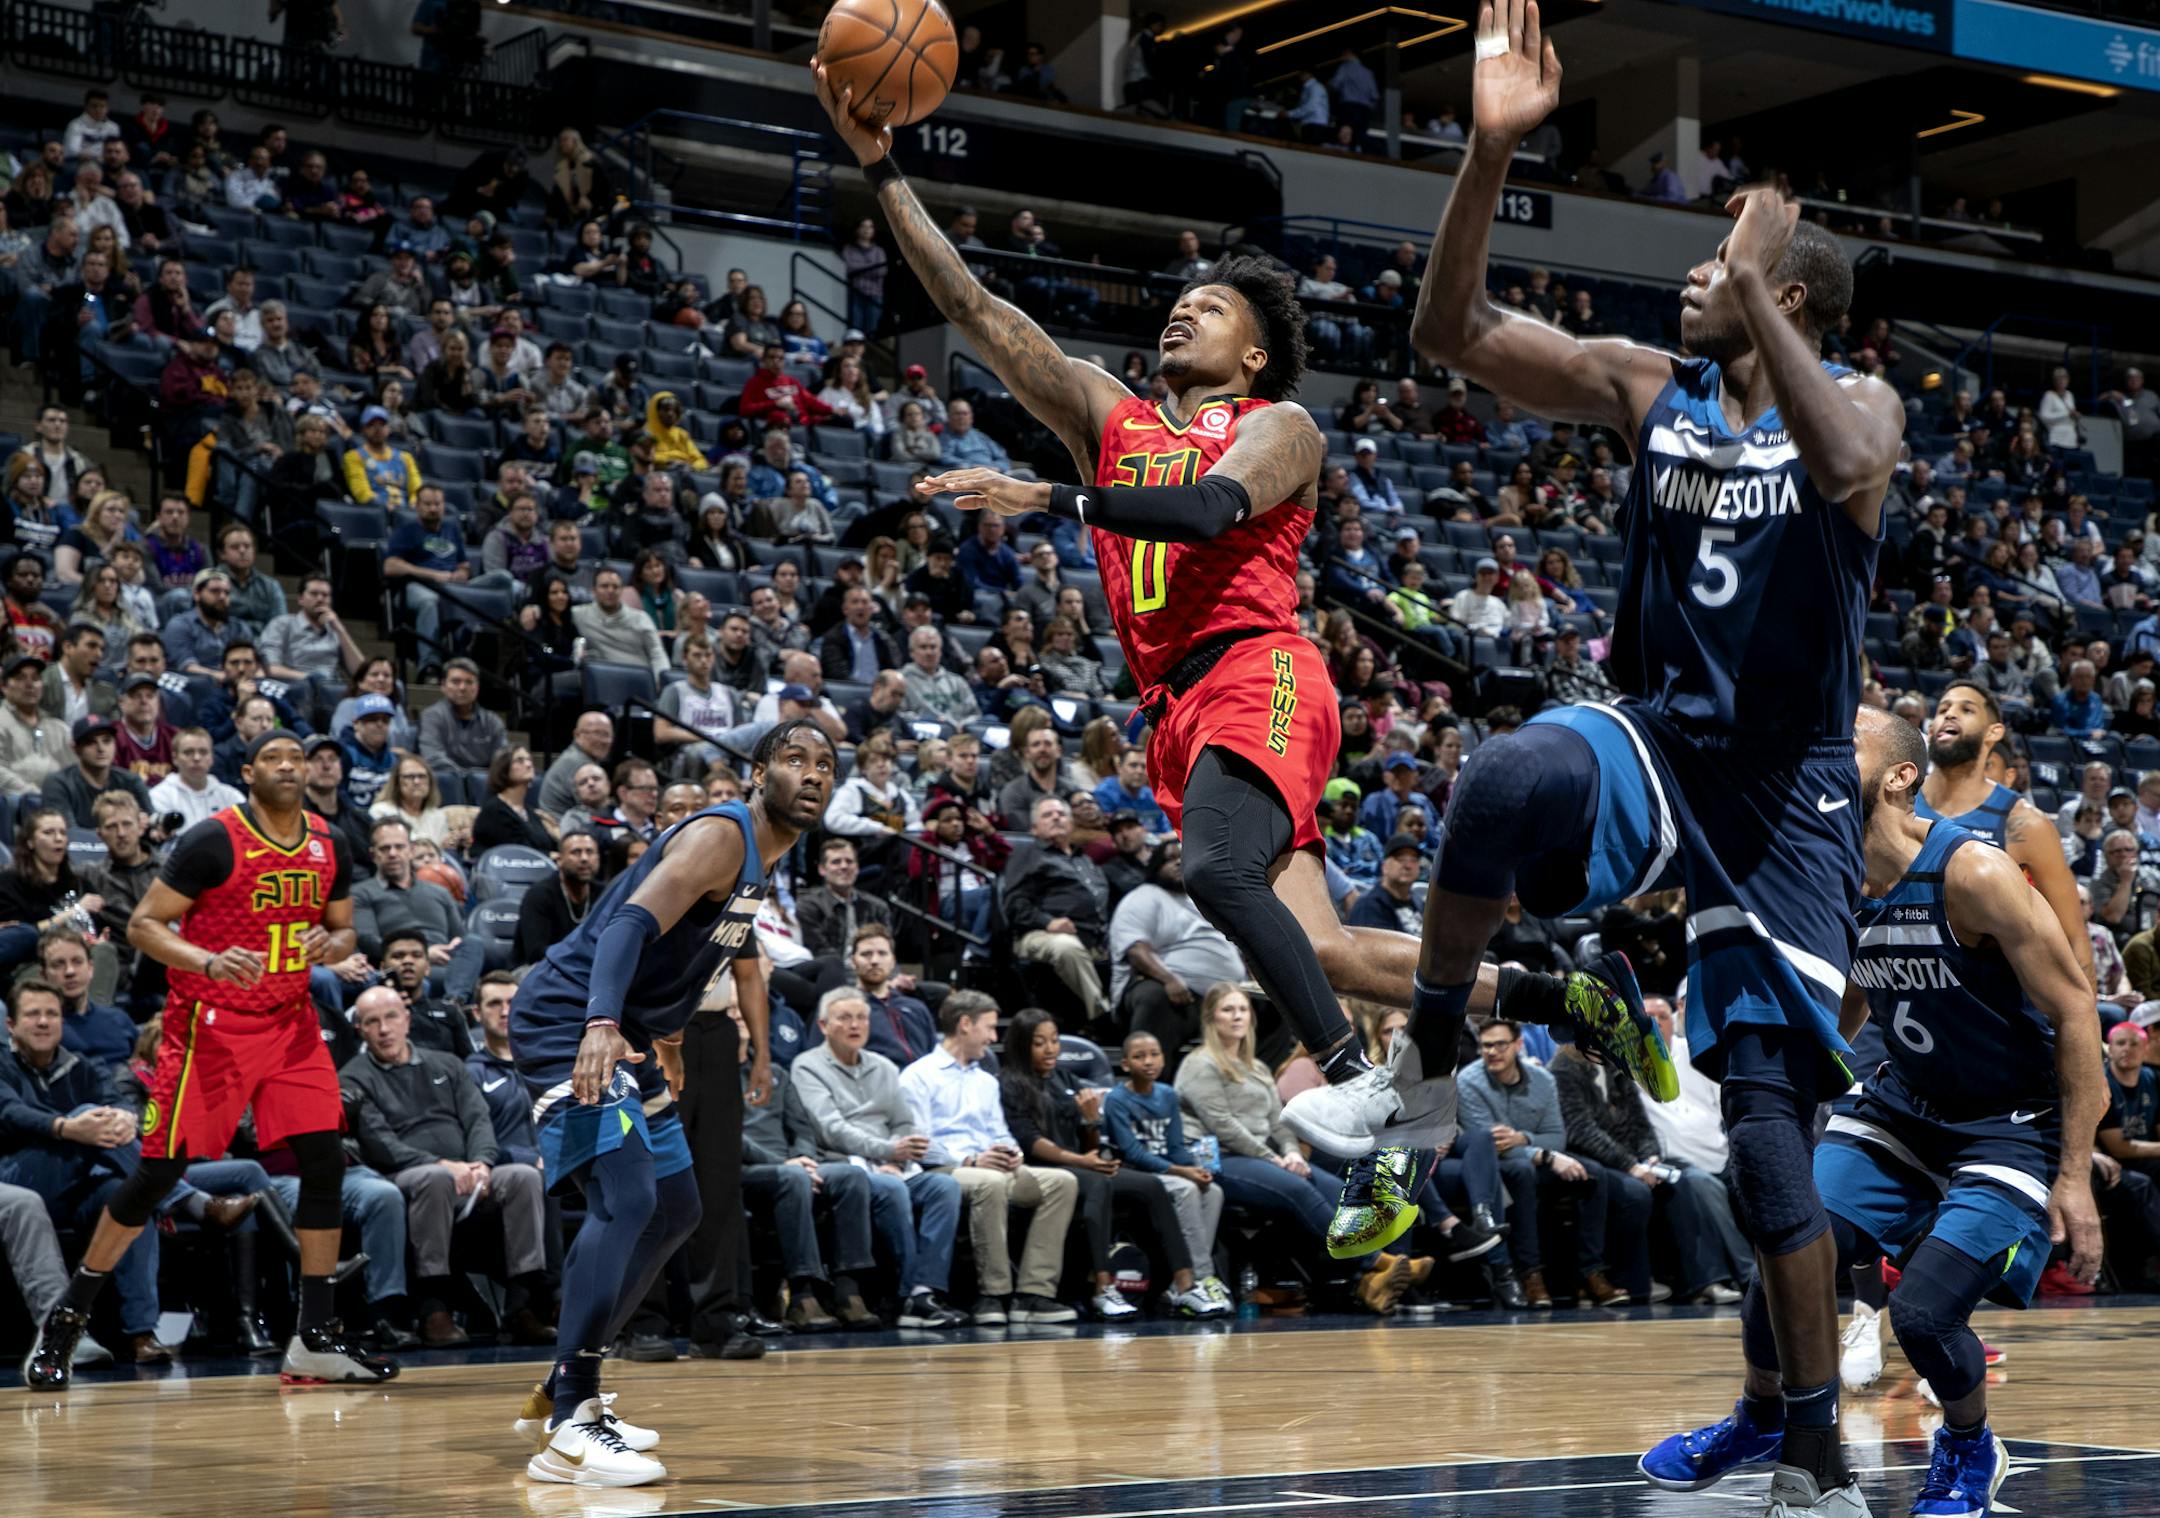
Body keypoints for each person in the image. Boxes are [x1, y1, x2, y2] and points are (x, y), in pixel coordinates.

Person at [816, 63, 1654, 1233]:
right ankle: (1568, 995)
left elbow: (1210, 513)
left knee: (1215, 875)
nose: (1183, 311)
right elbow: (975, 307)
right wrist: (878, 163)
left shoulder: (1279, 425)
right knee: (1320, 947)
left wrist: (1047, 497)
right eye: (1181, 302)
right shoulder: (1109, 415)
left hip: (1261, 672)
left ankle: (1363, 1088)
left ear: (1255, 355)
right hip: (1178, 711)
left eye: (1211, 308)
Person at [1354, 9, 1904, 1505]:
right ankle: (1428, 1066)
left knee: (1771, 1150)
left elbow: (1851, 466)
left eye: (1716, 268)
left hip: (1787, 800)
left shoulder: (1858, 407)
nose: (1690, 283)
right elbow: (1452, 335)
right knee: (1499, 781)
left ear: (1786, 294)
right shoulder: (1649, 390)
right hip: (1662, 741)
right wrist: (1486, 153)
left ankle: (1810, 1446)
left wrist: (1758, 280)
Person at [1640, 706, 2105, 1514]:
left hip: (2007, 1123)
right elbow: (1852, 995)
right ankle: (1761, 1416)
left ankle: (1968, 1443)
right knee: (1788, 1244)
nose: (1822, 747)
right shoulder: (1834, 877)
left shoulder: (1974, 873)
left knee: (1922, 1316)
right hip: (1902, 1107)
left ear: (1899, 776)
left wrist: (2075, 1177)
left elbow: (2075, 1010)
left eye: (1845, 740)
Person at [506, 721, 833, 1487]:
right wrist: (601, 1023)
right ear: (759, 774)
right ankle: (569, 1426)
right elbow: (628, 923)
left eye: (825, 764)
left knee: (678, 1205)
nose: (813, 774)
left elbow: (692, 952)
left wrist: (669, 1035)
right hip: (571, 1021)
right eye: (795, 759)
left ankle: (570, 1384)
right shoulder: (722, 836)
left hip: (632, 1033)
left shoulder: (765, 858)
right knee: (626, 1199)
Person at [20, 731, 394, 1391]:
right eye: (273, 758)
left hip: (290, 1021)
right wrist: (209, 960)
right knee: (158, 1173)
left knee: (324, 1161)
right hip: (211, 1028)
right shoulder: (214, 840)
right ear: (248, 772)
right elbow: (143, 925)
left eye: (297, 758)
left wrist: (330, 946)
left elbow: (344, 932)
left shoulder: (329, 841)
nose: (288, 766)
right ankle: (67, 1318)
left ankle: (314, 1336)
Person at [896, 992, 1079, 1325]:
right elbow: (919, 1143)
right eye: (990, 1028)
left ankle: (1033, 1294)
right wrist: (970, 1161)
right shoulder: (918, 1075)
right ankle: (992, 1294)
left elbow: (1000, 1132)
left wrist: (1013, 1154)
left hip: (989, 1165)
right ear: (965, 1024)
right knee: (989, 1183)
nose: (994, 1038)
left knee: (1062, 1182)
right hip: (943, 1169)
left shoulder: (985, 1081)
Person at [1917, 681, 2094, 987]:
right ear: (1930, 729)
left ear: (1993, 732)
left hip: (1989, 1000)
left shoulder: (2026, 824)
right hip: (1905, 989)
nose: (1950, 714)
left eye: (1966, 709)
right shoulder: (1896, 802)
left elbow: (2073, 937)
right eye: (1943, 709)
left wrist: (2085, 1012)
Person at [1108, 840, 1243, 1072]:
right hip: (1177, 994)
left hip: (1222, 999)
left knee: (1274, 1006)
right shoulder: (1145, 896)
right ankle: (1152, 1084)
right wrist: (1169, 979)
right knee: (1154, 996)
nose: (1179, 862)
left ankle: (1259, 1078)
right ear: (1155, 866)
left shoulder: (1205, 900)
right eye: (1170, 859)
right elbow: (1135, 949)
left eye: (1183, 857)